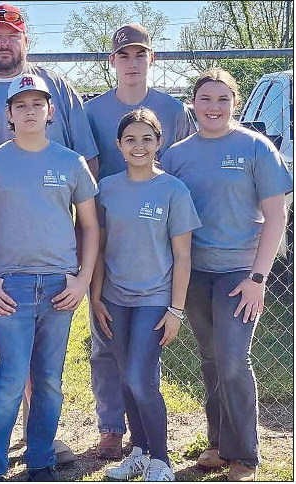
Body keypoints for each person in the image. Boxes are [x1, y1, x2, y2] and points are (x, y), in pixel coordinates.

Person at [0, 3, 99, 466]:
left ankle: (40, 437)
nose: (3, 41)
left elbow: (86, 163)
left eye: (12, 35)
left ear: (25, 42)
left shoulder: (58, 89)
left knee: (38, 351)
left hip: (44, 239)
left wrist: (70, 237)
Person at [161, 68, 292, 482]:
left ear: (235, 103)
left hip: (239, 273)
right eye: (205, 99)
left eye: (222, 99)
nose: (213, 107)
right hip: (195, 272)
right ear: (193, 104)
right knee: (211, 359)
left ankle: (245, 456)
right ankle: (218, 442)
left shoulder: (256, 148)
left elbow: (276, 215)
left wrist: (258, 279)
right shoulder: (177, 154)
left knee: (234, 360)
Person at [83, 23, 196, 460]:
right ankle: (114, 429)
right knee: (105, 347)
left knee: (140, 368)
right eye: (123, 55)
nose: (132, 62)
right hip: (113, 249)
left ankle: (154, 449)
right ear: (113, 61)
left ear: (152, 60)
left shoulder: (172, 109)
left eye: (140, 55)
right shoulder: (93, 111)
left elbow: (182, 168)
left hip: (156, 246)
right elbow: (87, 177)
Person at [90, 108, 201, 482]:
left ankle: (161, 460)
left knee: (140, 378)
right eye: (131, 139)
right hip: (114, 298)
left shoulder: (172, 189)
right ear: (119, 145)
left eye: (147, 139)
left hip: (155, 299)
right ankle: (138, 453)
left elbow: (183, 254)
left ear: (159, 143)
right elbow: (99, 247)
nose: (139, 146)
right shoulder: (107, 187)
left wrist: (176, 309)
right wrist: (95, 296)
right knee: (124, 377)